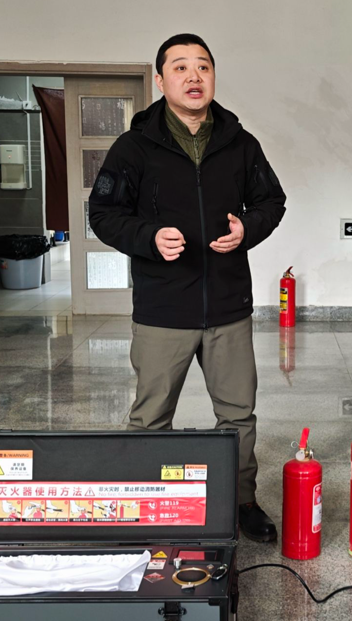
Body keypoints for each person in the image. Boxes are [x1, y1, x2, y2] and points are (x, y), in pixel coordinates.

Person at [89, 33, 286, 541]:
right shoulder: (134, 147)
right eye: (180, 67)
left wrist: (248, 228)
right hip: (163, 308)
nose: (193, 76)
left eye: (203, 66)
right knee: (152, 416)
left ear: (213, 76)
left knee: (238, 415)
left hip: (228, 306)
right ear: (160, 80)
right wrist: (149, 237)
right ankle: (146, 502)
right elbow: (103, 214)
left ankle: (242, 502)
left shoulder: (240, 143)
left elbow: (272, 201)